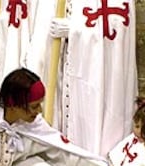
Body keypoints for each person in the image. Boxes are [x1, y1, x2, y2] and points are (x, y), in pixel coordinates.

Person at [49, 0, 138, 157]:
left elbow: (117, 24)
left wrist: (74, 30)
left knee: (105, 117)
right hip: (77, 67)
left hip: (109, 71)